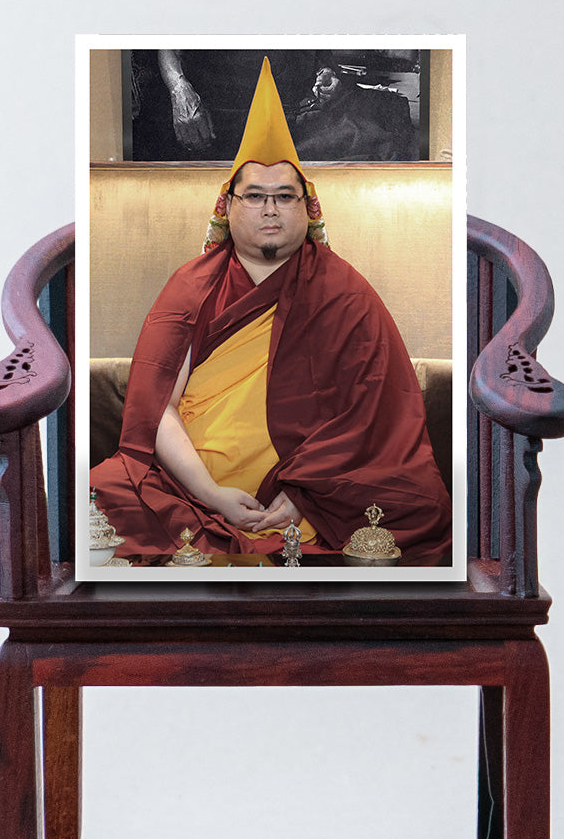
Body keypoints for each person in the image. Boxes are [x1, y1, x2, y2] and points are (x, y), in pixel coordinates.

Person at [90, 58, 452, 565]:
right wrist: (212, 493)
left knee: (415, 508)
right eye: (255, 196)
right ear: (227, 206)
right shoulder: (191, 287)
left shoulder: (344, 293)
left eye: (285, 196)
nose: (270, 209)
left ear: (308, 207)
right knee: (100, 495)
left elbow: (374, 418)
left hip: (312, 494)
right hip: (188, 488)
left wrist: (307, 494)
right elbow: (155, 410)